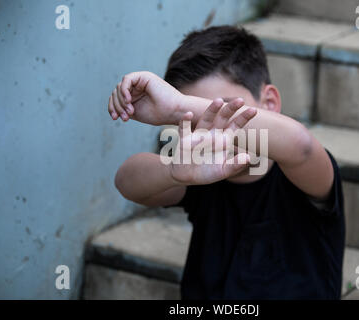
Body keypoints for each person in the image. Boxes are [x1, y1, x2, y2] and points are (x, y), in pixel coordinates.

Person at [108, 25, 345, 299]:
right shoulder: (197, 173)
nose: (213, 131)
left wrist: (177, 107)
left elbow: (300, 145)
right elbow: (126, 181)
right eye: (196, 119)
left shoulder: (302, 173)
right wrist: (172, 171)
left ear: (269, 103)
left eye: (227, 110)